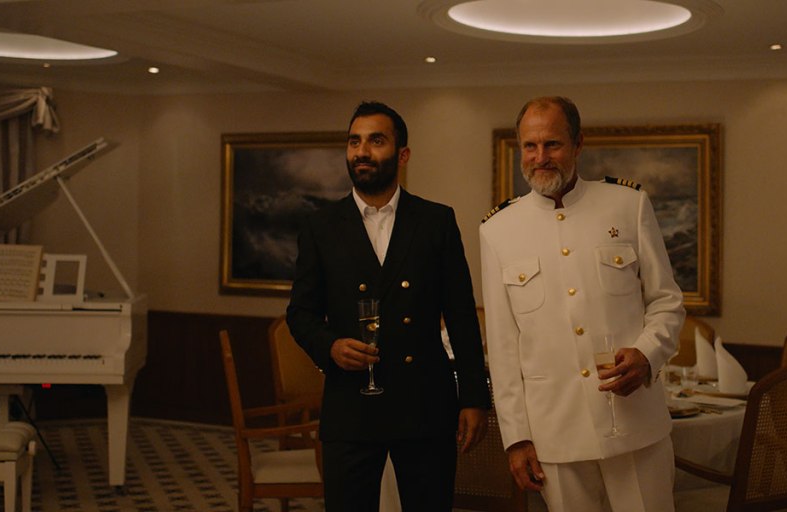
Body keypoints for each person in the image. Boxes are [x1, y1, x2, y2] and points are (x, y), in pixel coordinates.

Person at [479, 96, 685, 512]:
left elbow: (667, 302)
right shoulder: (497, 230)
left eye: (552, 144)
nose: (541, 158)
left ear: (578, 144)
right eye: (530, 146)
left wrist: (647, 355)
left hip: (634, 424)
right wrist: (516, 437)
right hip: (555, 431)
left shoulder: (628, 205)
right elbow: (503, 347)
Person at [286, 101, 490, 512]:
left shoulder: (435, 221)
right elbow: (300, 313)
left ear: (402, 155)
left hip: (425, 405)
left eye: (376, 140)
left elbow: (462, 315)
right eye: (354, 141)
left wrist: (473, 397)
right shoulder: (320, 226)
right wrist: (329, 346)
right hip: (351, 406)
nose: (362, 151)